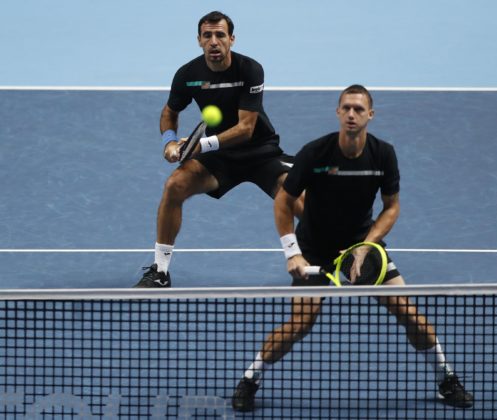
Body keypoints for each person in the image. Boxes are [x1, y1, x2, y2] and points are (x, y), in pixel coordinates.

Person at [231, 85, 473, 410]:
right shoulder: (315, 153)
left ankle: (446, 379)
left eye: (359, 109)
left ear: (370, 115)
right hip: (314, 250)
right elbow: (284, 200)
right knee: (301, 323)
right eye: (346, 108)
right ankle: (250, 379)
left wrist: (366, 246)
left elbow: (392, 207)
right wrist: (292, 252)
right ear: (337, 112)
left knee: (411, 315)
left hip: (363, 247)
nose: (351, 114)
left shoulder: (383, 154)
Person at [134, 11, 302, 287]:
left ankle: (345, 257)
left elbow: (246, 128)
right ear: (199, 41)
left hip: (261, 152)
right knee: (175, 184)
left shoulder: (250, 69)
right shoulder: (187, 75)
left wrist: (200, 145)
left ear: (231, 39)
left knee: (301, 201)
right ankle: (160, 271)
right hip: (220, 158)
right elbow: (169, 112)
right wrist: (169, 142)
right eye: (207, 36)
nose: (214, 41)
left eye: (220, 35)